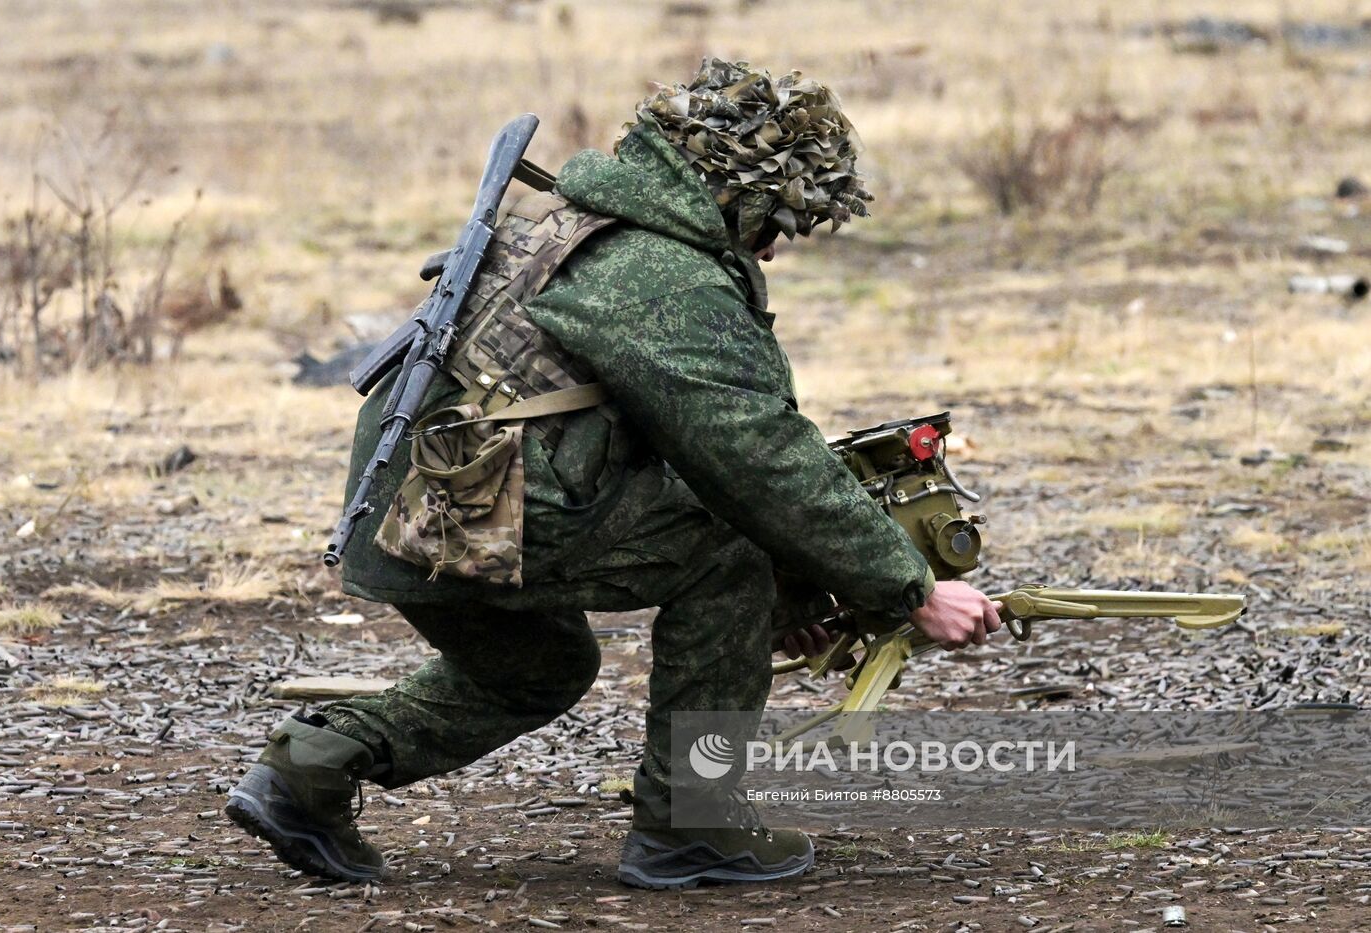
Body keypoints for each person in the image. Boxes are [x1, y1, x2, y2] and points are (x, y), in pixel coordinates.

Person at [226, 58, 1002, 889]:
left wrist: (762, 618)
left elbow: (666, 434)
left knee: (537, 667)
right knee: (731, 554)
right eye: (781, 218)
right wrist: (910, 589)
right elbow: (756, 451)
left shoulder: (578, 223)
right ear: (735, 193)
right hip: (476, 508)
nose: (779, 244)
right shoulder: (658, 276)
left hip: (403, 510)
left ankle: (307, 769)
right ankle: (690, 827)